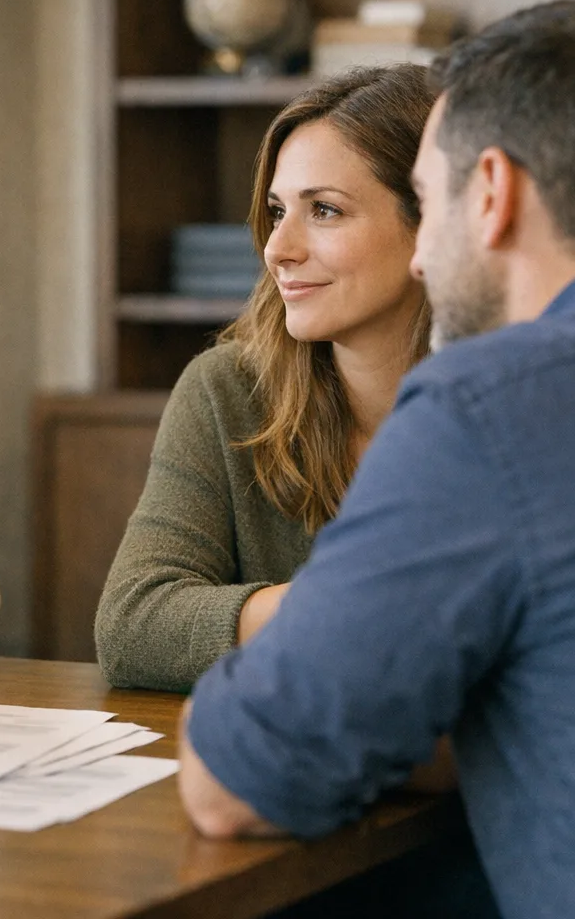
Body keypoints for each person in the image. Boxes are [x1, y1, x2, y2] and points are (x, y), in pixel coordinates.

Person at [178, 0, 575, 918]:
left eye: (432, 197)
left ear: (492, 192)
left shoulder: (493, 405)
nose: (422, 260)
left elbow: (236, 784)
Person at [95, 65, 432, 692]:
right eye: (278, 211)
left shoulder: (512, 402)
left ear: (431, 225)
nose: (278, 247)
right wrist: (344, 606)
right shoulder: (227, 389)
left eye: (325, 210)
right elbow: (132, 625)